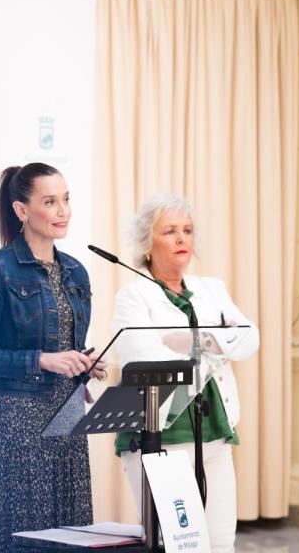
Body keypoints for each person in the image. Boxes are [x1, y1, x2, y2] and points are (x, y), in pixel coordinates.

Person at [0, 162, 105, 553]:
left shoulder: (76, 271)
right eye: (50, 201)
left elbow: (69, 349)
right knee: (22, 534)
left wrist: (84, 366)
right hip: (21, 421)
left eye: (66, 200)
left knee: (70, 534)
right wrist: (41, 359)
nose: (63, 211)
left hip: (69, 418)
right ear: (22, 210)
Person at [111, 195, 259, 553]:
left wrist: (196, 340)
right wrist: (217, 343)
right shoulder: (133, 295)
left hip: (213, 433)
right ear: (147, 242)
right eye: (170, 231)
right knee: (180, 544)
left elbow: (250, 337)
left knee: (221, 541)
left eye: (188, 230)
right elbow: (144, 358)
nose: (182, 239)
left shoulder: (212, 288)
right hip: (159, 433)